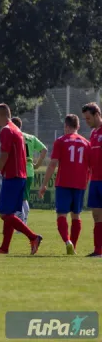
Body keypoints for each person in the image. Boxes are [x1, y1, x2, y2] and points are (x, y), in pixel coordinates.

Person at [0, 104, 43, 254]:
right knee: (9, 213)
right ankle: (4, 247)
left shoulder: (6, 130)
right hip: (21, 176)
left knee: (4, 214)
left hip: (12, 176)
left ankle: (33, 237)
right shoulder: (17, 130)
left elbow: (4, 156)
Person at [39, 114, 89, 255]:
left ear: (66, 126)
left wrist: (44, 184)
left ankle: (68, 242)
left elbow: (53, 164)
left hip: (63, 183)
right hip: (80, 183)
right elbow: (90, 165)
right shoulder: (86, 143)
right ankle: (74, 246)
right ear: (78, 126)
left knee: (61, 214)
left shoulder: (61, 141)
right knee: (76, 216)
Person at [11, 117, 48, 225]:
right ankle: (24, 221)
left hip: (18, 171)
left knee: (17, 198)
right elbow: (44, 150)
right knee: (24, 197)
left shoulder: (14, 137)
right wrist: (37, 164)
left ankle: (20, 223)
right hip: (29, 171)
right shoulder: (30, 137)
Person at [80, 102, 102, 257]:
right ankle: (98, 250)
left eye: (88, 118)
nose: (86, 122)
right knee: (96, 215)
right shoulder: (93, 134)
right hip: (95, 180)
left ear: (96, 115)